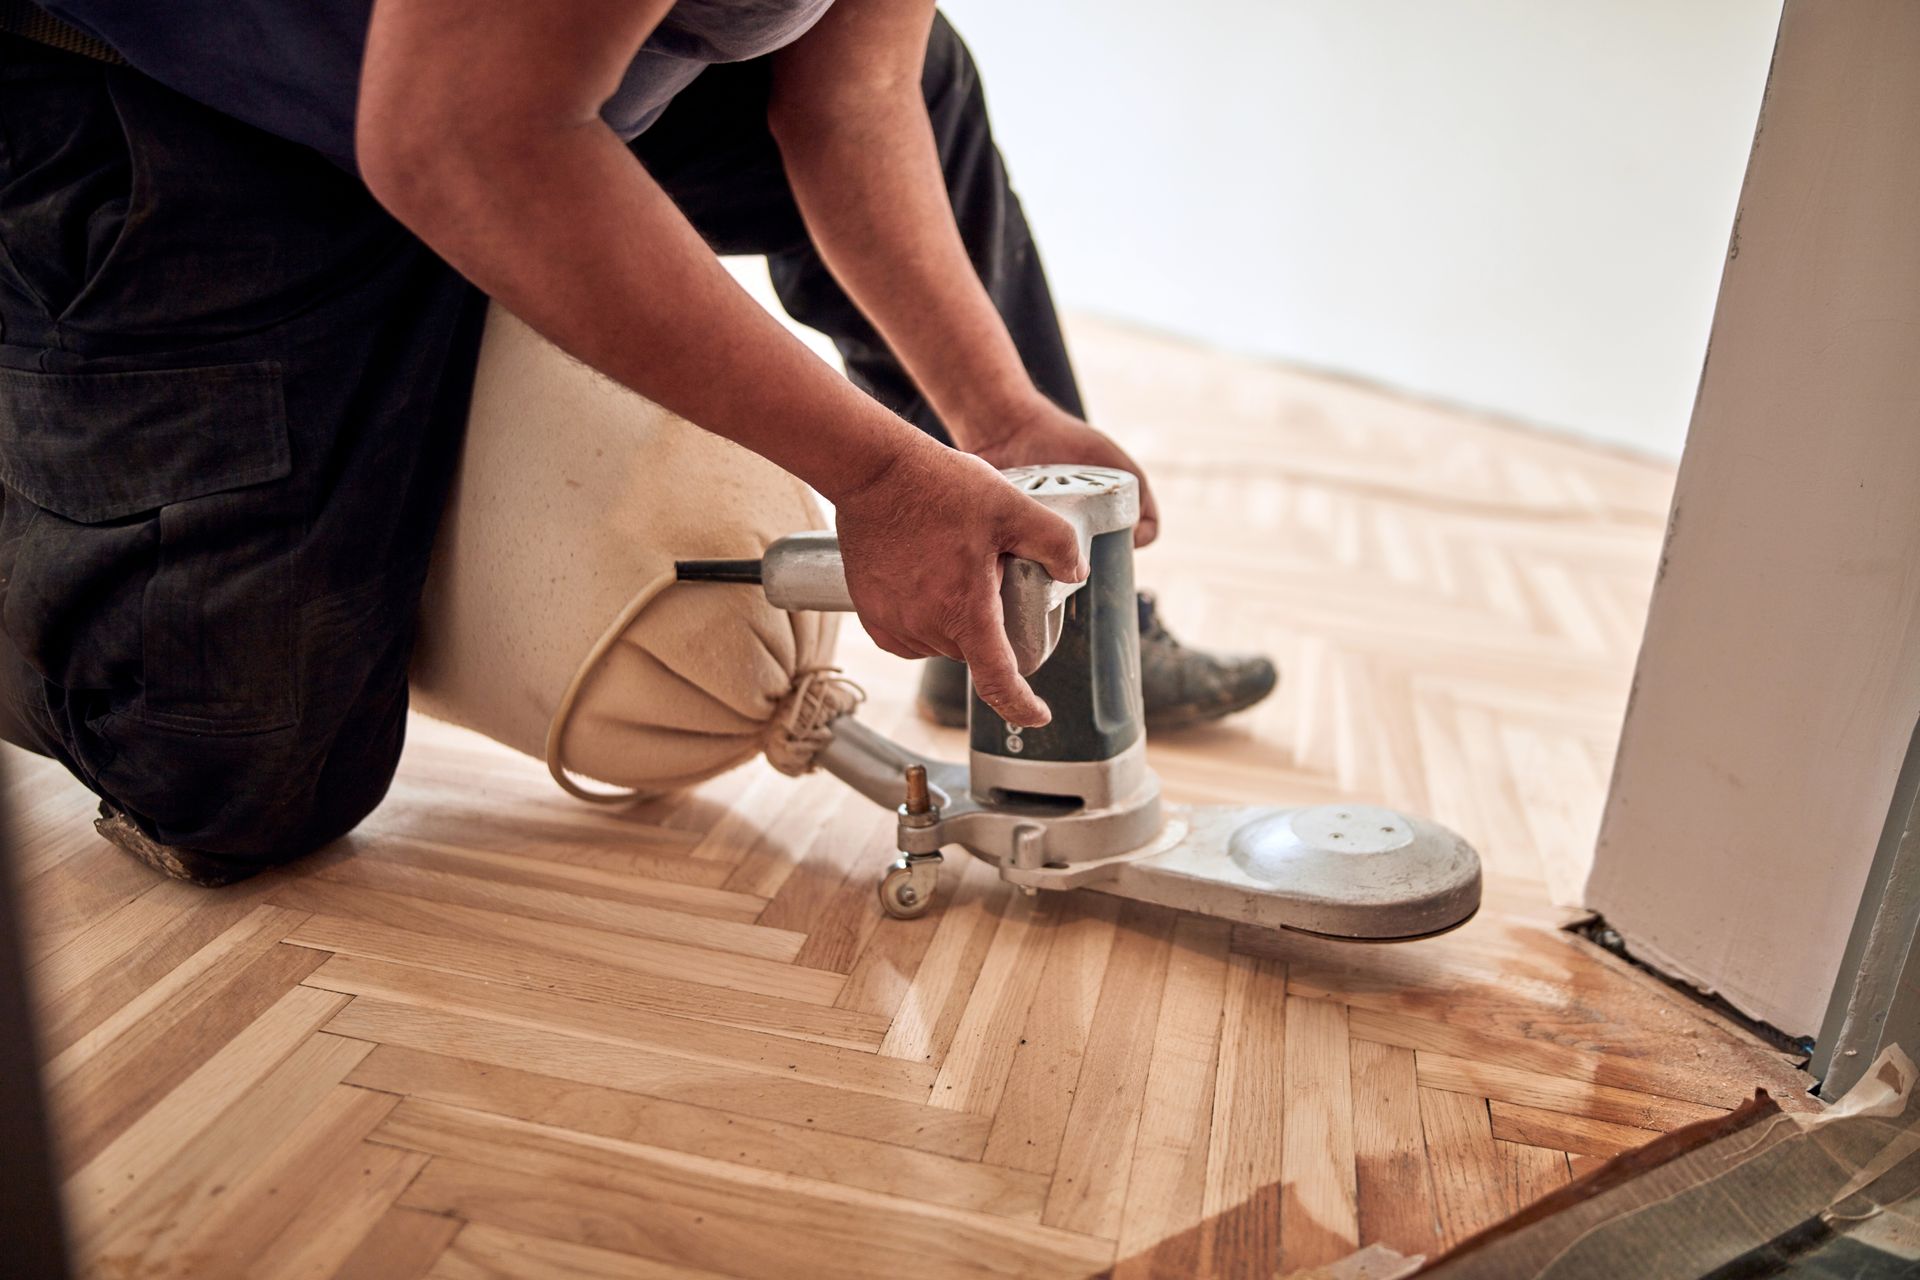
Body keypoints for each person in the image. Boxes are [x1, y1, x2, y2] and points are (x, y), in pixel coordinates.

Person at [0, 0, 1276, 885]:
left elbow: (858, 92)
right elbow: (456, 134)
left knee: (924, 66)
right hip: (167, 100)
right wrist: (876, 475)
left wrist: (993, 418)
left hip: (503, 84)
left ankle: (1027, 637)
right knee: (236, 776)